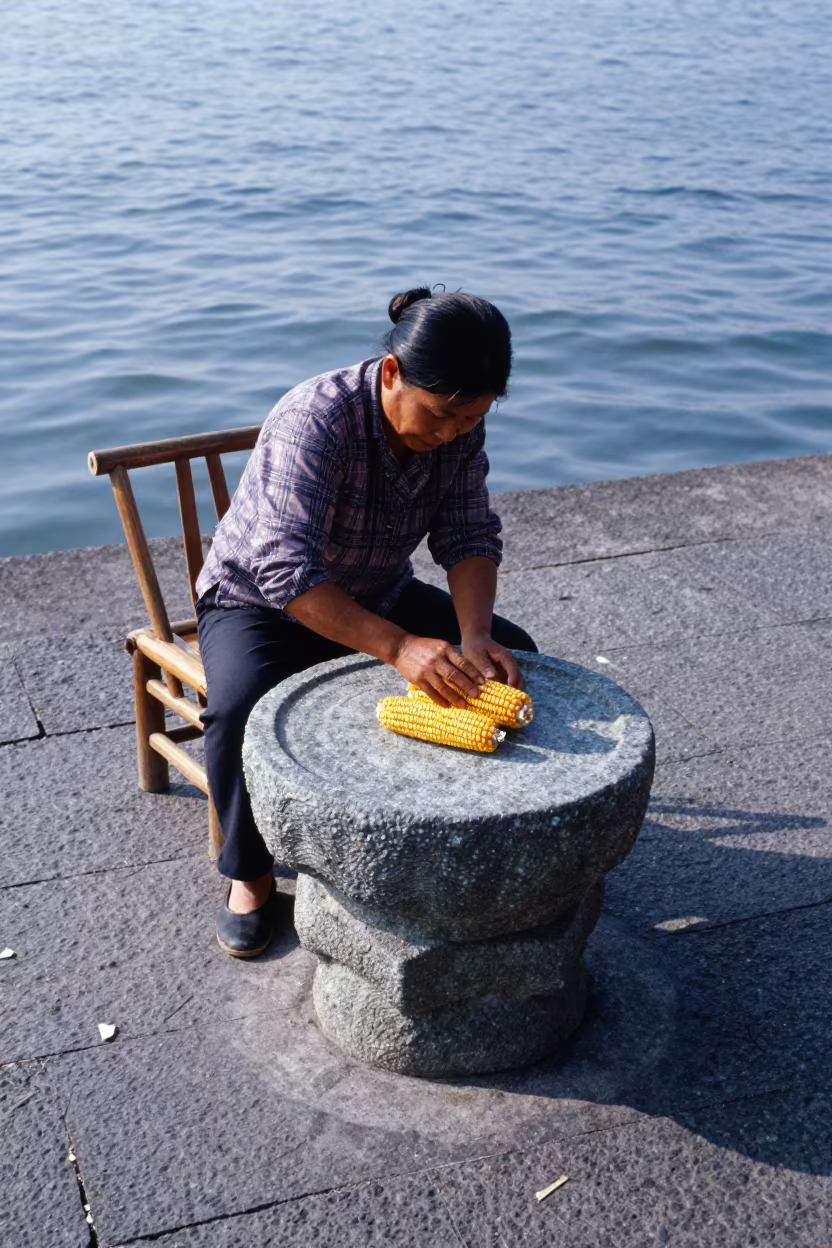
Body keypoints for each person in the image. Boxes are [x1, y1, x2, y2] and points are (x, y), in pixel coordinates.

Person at [195, 287, 538, 957]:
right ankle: (251, 876)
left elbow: (468, 533)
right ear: (390, 373)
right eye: (441, 415)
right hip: (257, 604)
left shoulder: (460, 428)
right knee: (237, 708)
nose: (450, 433)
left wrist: (474, 636)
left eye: (470, 419)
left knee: (513, 653)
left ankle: (456, 819)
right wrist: (401, 648)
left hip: (376, 590)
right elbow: (284, 572)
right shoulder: (315, 420)